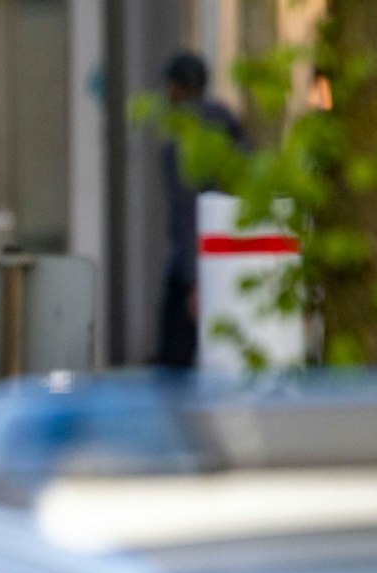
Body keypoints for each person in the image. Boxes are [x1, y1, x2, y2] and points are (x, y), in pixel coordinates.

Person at [156, 52, 248, 370]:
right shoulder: (228, 124)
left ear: (176, 89)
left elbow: (186, 212)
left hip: (193, 264)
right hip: (235, 252)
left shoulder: (182, 135)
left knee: (175, 356)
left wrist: (194, 280)